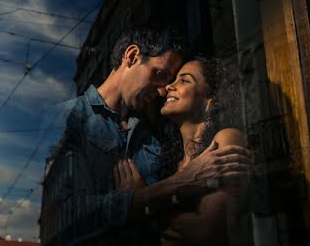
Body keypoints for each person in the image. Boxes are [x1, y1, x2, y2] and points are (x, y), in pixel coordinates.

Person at [51, 26, 253, 234]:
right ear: (131, 56)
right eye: (160, 74)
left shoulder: (154, 134)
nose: (163, 90)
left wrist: (145, 199)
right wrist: (167, 188)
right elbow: (64, 215)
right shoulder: (69, 117)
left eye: (174, 80)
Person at [118, 57, 252, 246]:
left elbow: (207, 231)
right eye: (173, 80)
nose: (169, 87)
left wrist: (144, 200)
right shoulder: (172, 165)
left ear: (210, 100)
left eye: (185, 79)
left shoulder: (227, 139)